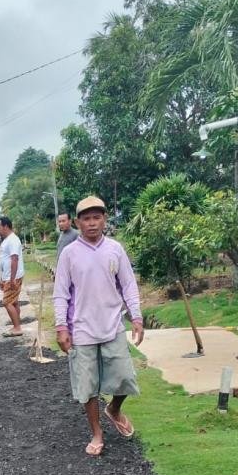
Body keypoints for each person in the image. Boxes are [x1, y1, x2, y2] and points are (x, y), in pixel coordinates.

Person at [53, 196, 144, 457]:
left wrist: (136, 317)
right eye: (86, 219)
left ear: (104, 219)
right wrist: (61, 327)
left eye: (97, 218)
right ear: (77, 222)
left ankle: (114, 409)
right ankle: (97, 432)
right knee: (87, 385)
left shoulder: (115, 249)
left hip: (112, 324)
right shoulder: (69, 254)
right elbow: (61, 293)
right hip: (81, 328)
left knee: (125, 376)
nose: (92, 223)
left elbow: (128, 285)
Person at [0, 216, 25, 337]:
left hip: (13, 277)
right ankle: (16, 325)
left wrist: (12, 279)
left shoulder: (13, 240)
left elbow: (14, 259)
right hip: (8, 276)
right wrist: (2, 278)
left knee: (7, 302)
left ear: (6, 226)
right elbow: (5, 260)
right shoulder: (7, 240)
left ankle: (17, 328)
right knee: (14, 302)